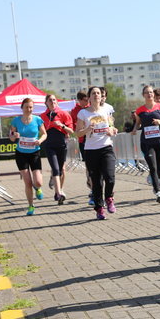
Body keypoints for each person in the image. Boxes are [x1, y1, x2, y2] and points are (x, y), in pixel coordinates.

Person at [75, 86, 118, 220]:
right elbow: (78, 133)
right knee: (97, 181)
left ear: (101, 96)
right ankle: (99, 208)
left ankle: (109, 198)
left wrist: (113, 130)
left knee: (110, 176)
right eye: (93, 93)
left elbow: (112, 126)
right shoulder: (83, 113)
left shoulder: (107, 109)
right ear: (89, 97)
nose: (96, 95)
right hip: (91, 150)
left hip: (106, 147)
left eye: (98, 93)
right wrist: (87, 129)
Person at [132, 86, 160, 203]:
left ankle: (156, 183)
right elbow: (138, 124)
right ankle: (158, 191)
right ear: (143, 95)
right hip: (147, 143)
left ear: (153, 94)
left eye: (150, 92)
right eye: (146, 93)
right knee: (152, 167)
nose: (149, 94)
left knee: (159, 167)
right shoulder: (140, 110)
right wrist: (134, 129)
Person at [9, 98, 47, 215]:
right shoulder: (16, 120)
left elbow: (44, 134)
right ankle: (31, 206)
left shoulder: (37, 119)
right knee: (28, 182)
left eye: (31, 107)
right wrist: (14, 135)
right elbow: (11, 137)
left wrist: (40, 141)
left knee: (38, 182)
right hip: (21, 154)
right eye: (26, 107)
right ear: (22, 107)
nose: (29, 109)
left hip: (34, 153)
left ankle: (38, 188)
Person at [41, 94, 74, 204]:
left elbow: (71, 131)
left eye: (54, 100)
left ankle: (60, 189)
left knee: (61, 170)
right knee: (56, 169)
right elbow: (39, 132)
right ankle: (58, 193)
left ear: (57, 102)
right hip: (49, 145)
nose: (52, 101)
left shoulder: (64, 114)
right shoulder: (42, 116)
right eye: (50, 100)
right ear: (46, 103)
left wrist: (62, 125)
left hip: (61, 145)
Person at [70, 90, 93, 203]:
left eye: (88, 99)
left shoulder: (91, 107)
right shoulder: (74, 111)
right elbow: (74, 127)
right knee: (89, 165)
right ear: (79, 100)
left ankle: (94, 185)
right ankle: (91, 185)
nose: (87, 102)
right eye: (84, 100)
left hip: (93, 138)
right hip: (82, 140)